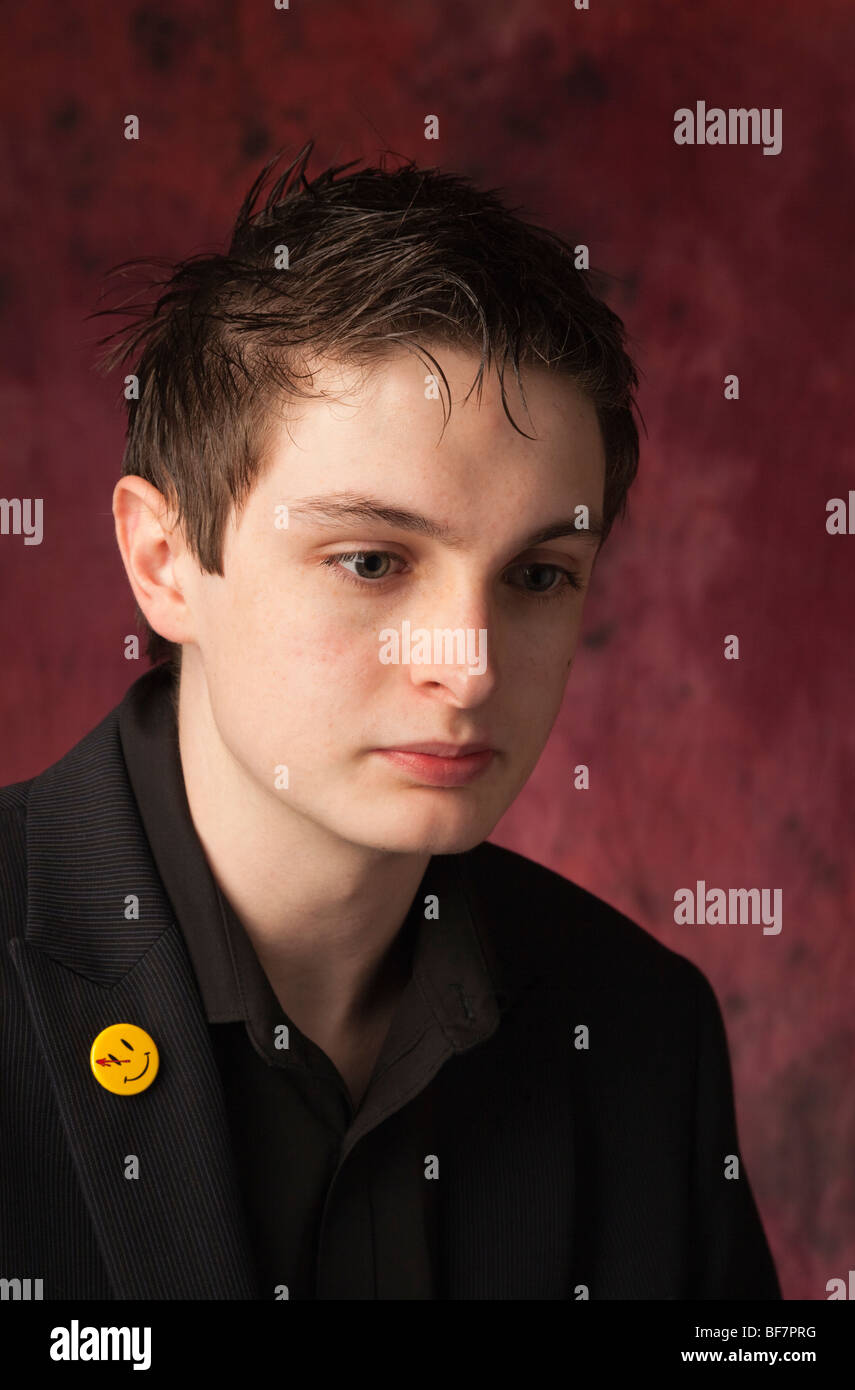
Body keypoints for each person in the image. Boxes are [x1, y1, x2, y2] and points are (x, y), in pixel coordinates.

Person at [0, 141, 780, 1300]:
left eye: (535, 575)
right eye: (370, 559)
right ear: (164, 563)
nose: (464, 670)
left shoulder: (638, 1032)